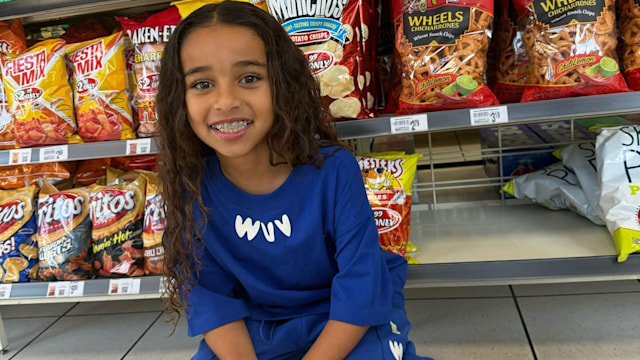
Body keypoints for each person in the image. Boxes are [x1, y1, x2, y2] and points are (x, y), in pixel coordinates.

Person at [156, 1, 433, 359]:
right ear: (179, 100)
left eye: (249, 78)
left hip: (346, 316)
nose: (225, 101)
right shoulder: (192, 186)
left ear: (283, 82)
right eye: (203, 83)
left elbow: (361, 287)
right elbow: (211, 298)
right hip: (258, 322)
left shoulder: (334, 170)